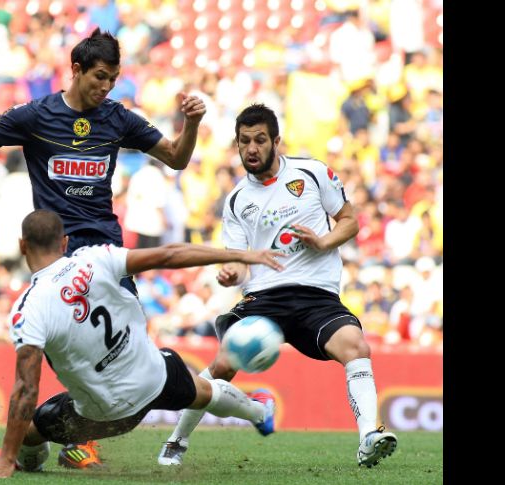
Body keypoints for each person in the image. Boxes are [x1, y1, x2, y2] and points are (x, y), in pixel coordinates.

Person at [0, 28, 205, 467]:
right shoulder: (36, 115)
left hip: (105, 249)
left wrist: (192, 124)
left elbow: (177, 158)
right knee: (60, 350)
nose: (106, 87)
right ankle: (33, 443)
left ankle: (65, 443)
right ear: (77, 69)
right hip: (57, 254)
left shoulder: (118, 118)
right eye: (100, 76)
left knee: (119, 343)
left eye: (113, 79)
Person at [158, 104, 398, 468]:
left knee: (356, 346)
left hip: (316, 295)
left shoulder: (312, 173)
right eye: (244, 142)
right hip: (263, 298)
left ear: (276, 141)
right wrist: (231, 274)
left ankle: (369, 436)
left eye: (259, 140)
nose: (251, 149)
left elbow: (349, 220)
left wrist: (324, 241)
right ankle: (177, 440)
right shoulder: (237, 201)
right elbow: (239, 261)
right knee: (222, 365)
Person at [0, 209, 286, 478]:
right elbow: (169, 254)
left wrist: (9, 456)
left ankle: (16, 458)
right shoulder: (95, 257)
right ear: (65, 242)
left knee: (32, 431)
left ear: (22, 246)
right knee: (203, 390)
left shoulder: (28, 308)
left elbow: (26, 388)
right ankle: (260, 413)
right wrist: (239, 254)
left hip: (102, 418)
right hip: (154, 378)